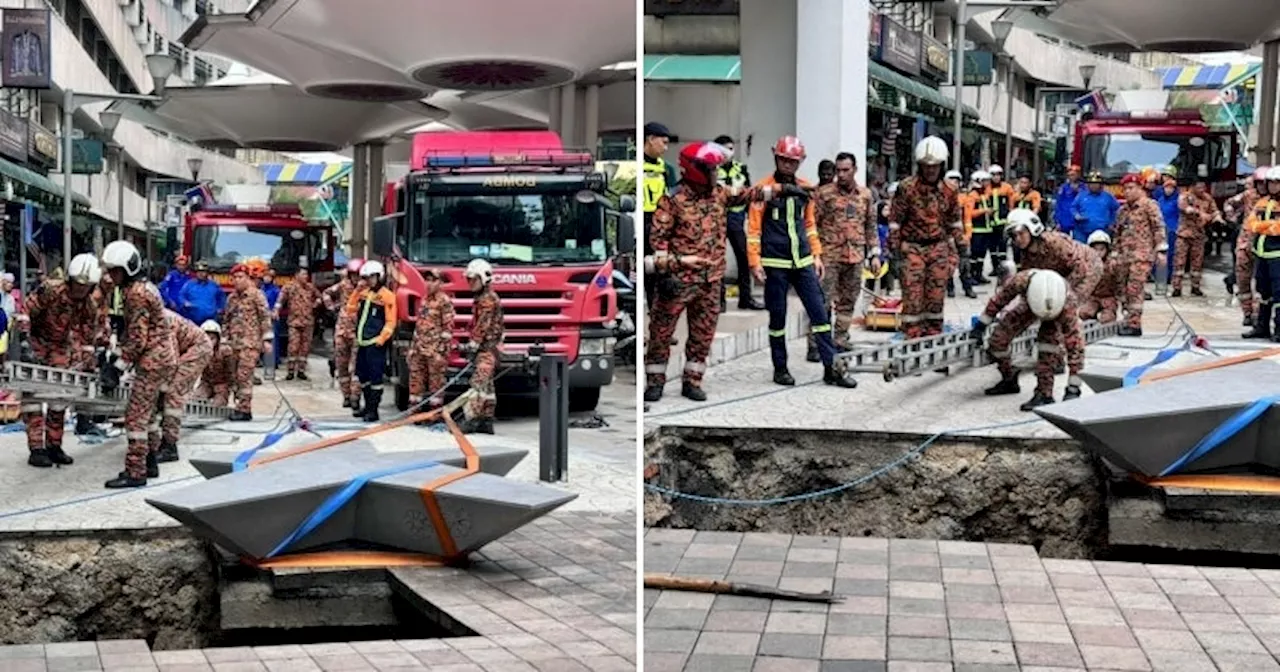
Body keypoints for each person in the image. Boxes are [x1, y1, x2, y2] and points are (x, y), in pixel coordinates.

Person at [644, 141, 755, 402]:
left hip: (710, 282)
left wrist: (784, 190)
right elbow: (658, 242)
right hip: (678, 282)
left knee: (702, 336)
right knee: (661, 334)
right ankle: (655, 382)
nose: (716, 174)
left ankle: (692, 381)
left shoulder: (720, 194)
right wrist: (667, 272)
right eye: (711, 169)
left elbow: (751, 194)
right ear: (696, 170)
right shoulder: (672, 201)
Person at [748, 135, 857, 388]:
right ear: (776, 158)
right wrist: (755, 262)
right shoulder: (763, 190)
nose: (788, 165)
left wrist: (817, 256)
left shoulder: (806, 189)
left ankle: (831, 367)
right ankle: (780, 367)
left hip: (804, 261)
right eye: (784, 160)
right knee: (778, 319)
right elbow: (753, 229)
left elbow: (810, 225)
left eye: (793, 161)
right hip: (775, 264)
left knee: (820, 315)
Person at [98, 241, 176, 489]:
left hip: (153, 361)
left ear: (128, 269)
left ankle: (136, 471)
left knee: (135, 418)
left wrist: (116, 367)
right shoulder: (144, 288)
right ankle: (150, 461)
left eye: (115, 271)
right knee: (150, 414)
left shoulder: (136, 294)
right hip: (160, 358)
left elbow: (137, 339)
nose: (111, 276)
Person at [17, 253, 102, 468]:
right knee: (33, 395)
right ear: (70, 280)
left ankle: (54, 445)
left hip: (60, 347)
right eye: (78, 285)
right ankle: (36, 448)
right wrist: (24, 342)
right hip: (36, 343)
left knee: (59, 396)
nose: (81, 290)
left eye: (86, 286)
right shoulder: (51, 290)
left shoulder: (89, 306)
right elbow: (26, 311)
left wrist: (87, 362)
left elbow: (86, 336)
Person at [888, 136, 968, 339]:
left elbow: (954, 222)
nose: (930, 170)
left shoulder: (950, 190)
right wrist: (895, 253)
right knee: (913, 298)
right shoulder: (906, 188)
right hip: (912, 248)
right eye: (926, 166)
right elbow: (895, 222)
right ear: (919, 165)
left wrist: (962, 250)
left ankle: (933, 340)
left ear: (942, 166)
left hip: (938, 249)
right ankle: (912, 340)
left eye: (935, 166)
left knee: (935, 299)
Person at [971, 269, 1083, 411]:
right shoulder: (1021, 282)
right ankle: (1009, 378)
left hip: (1056, 310)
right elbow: (999, 300)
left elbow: (1076, 349)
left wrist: (1073, 388)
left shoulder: (1068, 306)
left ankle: (1044, 395)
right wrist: (981, 325)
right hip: (1030, 306)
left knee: (1048, 347)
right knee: (998, 339)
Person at [806, 151, 878, 358]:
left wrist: (874, 254)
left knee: (848, 301)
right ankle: (815, 344)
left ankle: (840, 339)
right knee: (822, 301)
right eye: (839, 171)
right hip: (829, 256)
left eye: (846, 170)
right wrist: (814, 254)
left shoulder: (865, 195)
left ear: (855, 170)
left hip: (855, 256)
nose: (841, 175)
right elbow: (811, 224)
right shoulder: (824, 194)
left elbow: (870, 226)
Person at [1113, 173, 1169, 337]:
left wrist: (1161, 251)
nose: (1127, 192)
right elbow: (1118, 233)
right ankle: (1127, 318)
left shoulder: (1149, 205)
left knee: (1134, 288)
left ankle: (1135, 324)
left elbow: (1158, 227)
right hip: (1125, 256)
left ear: (1139, 188)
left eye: (1131, 188)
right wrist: (1115, 254)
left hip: (1141, 255)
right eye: (1125, 189)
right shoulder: (1123, 210)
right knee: (1122, 288)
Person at [154, 309, 213, 463]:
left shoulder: (164, 321)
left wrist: (163, 385)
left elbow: (170, 359)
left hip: (198, 349)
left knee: (173, 392)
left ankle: (170, 446)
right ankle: (160, 436)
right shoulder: (146, 319)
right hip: (184, 348)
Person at [713, 134, 763, 311]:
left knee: (744, 257)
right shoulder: (711, 169)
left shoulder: (741, 169)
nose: (729, 153)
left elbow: (748, 194)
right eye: (725, 149)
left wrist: (750, 218)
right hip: (716, 218)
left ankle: (746, 298)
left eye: (731, 149)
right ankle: (719, 301)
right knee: (716, 259)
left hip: (736, 219)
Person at [222, 265, 273, 421]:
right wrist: (224, 340)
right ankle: (239, 405)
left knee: (244, 375)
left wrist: (267, 340)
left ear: (248, 278)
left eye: (240, 277)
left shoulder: (257, 295)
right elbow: (226, 320)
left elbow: (265, 318)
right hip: (234, 344)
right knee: (234, 376)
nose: (237, 280)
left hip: (250, 343)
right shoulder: (231, 298)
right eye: (235, 277)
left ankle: (244, 409)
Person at [348, 260, 397, 423]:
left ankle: (373, 410)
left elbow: (391, 322)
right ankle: (367, 406)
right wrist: (357, 291)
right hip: (363, 342)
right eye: (366, 278)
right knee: (363, 377)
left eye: (370, 278)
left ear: (379, 277)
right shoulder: (364, 294)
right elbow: (351, 309)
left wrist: (381, 339)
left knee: (376, 379)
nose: (368, 281)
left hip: (375, 344)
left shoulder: (387, 296)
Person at [456, 259, 501, 433]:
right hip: (487, 348)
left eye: (473, 279)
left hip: (488, 348)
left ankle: (471, 418)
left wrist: (472, 344)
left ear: (484, 279)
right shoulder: (482, 298)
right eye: (468, 279)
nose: (470, 283)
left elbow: (482, 324)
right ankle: (486, 420)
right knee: (487, 386)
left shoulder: (487, 300)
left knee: (477, 383)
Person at [407, 268, 455, 413]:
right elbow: (419, 325)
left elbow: (448, 329)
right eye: (427, 280)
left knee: (436, 385)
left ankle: (435, 415)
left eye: (433, 280)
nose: (429, 283)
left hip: (435, 351)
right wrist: (412, 348)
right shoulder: (424, 300)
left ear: (440, 283)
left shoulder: (444, 302)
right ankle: (415, 412)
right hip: (419, 349)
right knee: (416, 381)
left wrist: (440, 352)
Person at [1243, 167, 1280, 340]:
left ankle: (1279, 329)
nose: (1273, 186)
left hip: (1277, 256)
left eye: (1277, 183)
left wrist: (1263, 226)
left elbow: (1278, 228)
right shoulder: (1262, 202)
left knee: (1279, 294)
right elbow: (1252, 223)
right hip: (1262, 255)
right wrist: (1267, 226)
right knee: (1263, 292)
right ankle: (1262, 327)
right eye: (1271, 183)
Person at [1226, 169, 1266, 326]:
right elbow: (1229, 203)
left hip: (1263, 244)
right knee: (1242, 280)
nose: (1262, 187)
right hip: (1244, 243)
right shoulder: (1248, 195)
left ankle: (1258, 314)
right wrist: (1232, 217)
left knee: (1260, 282)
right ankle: (1247, 313)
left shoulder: (1273, 200)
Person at [1171, 179, 1222, 297]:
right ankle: (1177, 287)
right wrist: (1200, 213)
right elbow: (1185, 208)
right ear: (1193, 187)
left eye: (1203, 187)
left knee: (1197, 263)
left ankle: (1195, 287)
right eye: (1199, 187)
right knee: (1179, 262)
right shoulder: (1185, 196)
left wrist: (1217, 217)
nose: (1201, 190)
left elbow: (1214, 210)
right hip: (1184, 234)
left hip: (1199, 235)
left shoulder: (1207, 198)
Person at [642, 122, 674, 310]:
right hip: (640, 225)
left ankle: (660, 326)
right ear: (650, 139)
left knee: (662, 273)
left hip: (660, 224)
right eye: (663, 142)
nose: (665, 147)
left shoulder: (666, 169)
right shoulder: (634, 167)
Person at [277, 268, 321, 380]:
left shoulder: (310, 287)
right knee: (293, 347)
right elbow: (280, 300)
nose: (305, 276)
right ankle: (290, 371)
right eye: (303, 274)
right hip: (294, 322)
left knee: (305, 348)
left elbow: (320, 297)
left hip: (308, 322)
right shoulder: (289, 287)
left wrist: (315, 304)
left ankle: (301, 371)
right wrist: (276, 311)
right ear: (297, 275)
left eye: (306, 274)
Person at [1079, 231, 1125, 323]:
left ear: (1107, 250)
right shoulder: (1087, 265)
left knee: (1107, 318)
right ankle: (1094, 316)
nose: (1099, 253)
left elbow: (1120, 283)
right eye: (1096, 249)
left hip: (1108, 298)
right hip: (1092, 298)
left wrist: (1123, 302)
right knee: (1084, 313)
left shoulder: (1112, 265)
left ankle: (1106, 315)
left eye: (1102, 249)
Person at [945, 170, 977, 299]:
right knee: (948, 264)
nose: (955, 183)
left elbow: (967, 218)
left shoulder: (964, 198)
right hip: (947, 236)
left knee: (965, 264)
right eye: (952, 180)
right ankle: (950, 288)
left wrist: (967, 235)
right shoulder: (941, 198)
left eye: (957, 180)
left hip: (961, 235)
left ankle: (967, 287)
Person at [1150, 167, 1181, 291]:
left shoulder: (1178, 200)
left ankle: (1168, 276)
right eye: (1166, 187)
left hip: (1172, 230)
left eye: (1171, 187)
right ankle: (1155, 275)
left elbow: (1180, 215)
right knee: (1156, 253)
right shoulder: (1160, 198)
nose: (1168, 190)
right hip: (1160, 230)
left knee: (1171, 254)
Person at [1069, 172, 1120, 244]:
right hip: (1082, 231)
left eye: (1096, 183)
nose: (1093, 186)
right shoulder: (1081, 195)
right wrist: (1076, 215)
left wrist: (1112, 222)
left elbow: (1116, 209)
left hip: (1101, 231)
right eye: (1091, 183)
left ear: (1100, 185)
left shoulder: (1108, 197)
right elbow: (1073, 208)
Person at [965, 170, 997, 286]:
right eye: (985, 181)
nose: (987, 183)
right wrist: (984, 211)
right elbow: (969, 213)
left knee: (982, 255)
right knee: (975, 254)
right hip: (977, 230)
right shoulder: (972, 195)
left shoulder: (984, 195)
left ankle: (979, 274)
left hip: (986, 229)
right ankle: (972, 275)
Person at [195, 320, 234, 406]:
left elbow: (232, 372)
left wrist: (232, 388)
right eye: (207, 338)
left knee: (217, 405)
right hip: (206, 383)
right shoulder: (199, 351)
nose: (209, 341)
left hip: (221, 384)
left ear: (218, 339)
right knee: (196, 401)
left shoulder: (225, 352)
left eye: (212, 338)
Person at [1053, 165, 1084, 231]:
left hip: (1079, 222)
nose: (1071, 177)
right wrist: (1057, 221)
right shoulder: (1064, 188)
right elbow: (1058, 205)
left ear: (1078, 175)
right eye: (1069, 175)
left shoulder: (1084, 188)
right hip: (1065, 221)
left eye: (1073, 175)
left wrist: (1078, 191)